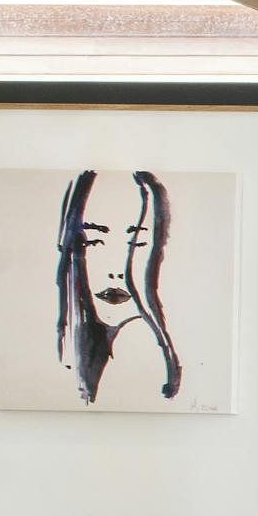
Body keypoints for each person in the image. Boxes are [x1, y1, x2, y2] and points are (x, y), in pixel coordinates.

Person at [54, 167, 182, 405]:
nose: (116, 270)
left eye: (137, 243)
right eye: (92, 242)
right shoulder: (73, 346)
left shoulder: (144, 350)